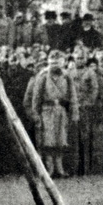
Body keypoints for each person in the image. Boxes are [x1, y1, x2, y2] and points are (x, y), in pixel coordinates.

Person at [31, 50, 79, 178]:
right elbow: (36, 98)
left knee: (60, 140)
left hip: (61, 111)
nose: (55, 65)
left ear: (63, 63)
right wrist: (36, 115)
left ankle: (60, 168)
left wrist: (74, 112)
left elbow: (73, 96)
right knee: (48, 140)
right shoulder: (42, 77)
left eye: (58, 62)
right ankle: (50, 169)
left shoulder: (67, 77)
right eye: (52, 63)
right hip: (47, 110)